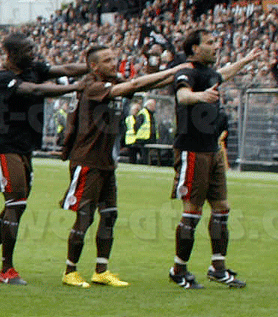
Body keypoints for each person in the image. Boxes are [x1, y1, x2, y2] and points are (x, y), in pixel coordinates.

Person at [55, 46, 186, 288]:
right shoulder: (92, 86)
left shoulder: (112, 81)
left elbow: (142, 84)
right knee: (84, 217)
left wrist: (175, 75)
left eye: (114, 58)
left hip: (106, 163)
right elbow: (134, 86)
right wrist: (176, 68)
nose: (113, 63)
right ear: (94, 66)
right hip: (87, 161)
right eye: (107, 60)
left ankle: (101, 270)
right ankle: (70, 271)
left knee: (109, 215)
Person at [0, 34, 88, 285]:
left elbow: (65, 68)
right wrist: (74, 87)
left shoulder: (35, 68)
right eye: (27, 49)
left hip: (24, 147)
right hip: (4, 145)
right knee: (16, 202)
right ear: (11, 53)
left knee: (17, 204)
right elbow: (33, 90)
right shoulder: (2, 78)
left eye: (33, 47)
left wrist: (94, 66)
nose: (33, 52)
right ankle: (7, 269)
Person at [166, 30, 264, 289]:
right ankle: (178, 270)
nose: (215, 46)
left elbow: (224, 74)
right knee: (192, 212)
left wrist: (245, 61)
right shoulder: (187, 72)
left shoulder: (210, 74)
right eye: (209, 43)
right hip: (192, 150)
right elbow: (182, 95)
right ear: (194, 49)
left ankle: (217, 268)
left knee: (222, 208)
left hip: (212, 150)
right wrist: (200, 96)